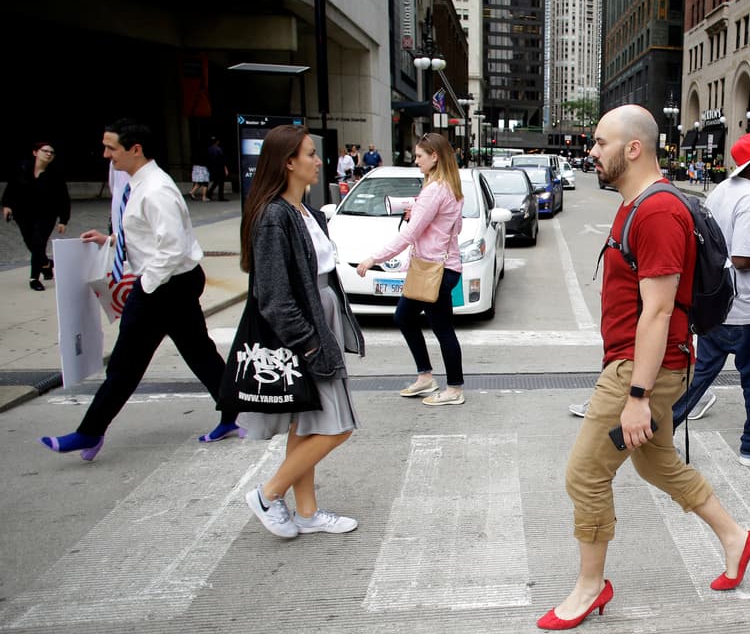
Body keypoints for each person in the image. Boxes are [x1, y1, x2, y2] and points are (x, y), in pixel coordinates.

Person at [538, 105, 750, 630]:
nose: (590, 152)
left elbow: (659, 310)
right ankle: (737, 538)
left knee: (586, 474)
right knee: (655, 463)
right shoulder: (636, 203)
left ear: (632, 148)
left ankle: (591, 587)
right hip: (643, 366)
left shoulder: (659, 212)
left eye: (599, 143)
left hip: (641, 371)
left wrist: (637, 396)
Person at [40, 119, 238, 460]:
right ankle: (233, 413)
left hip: (164, 284)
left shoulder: (156, 190)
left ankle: (89, 433)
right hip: (173, 282)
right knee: (198, 353)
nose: (106, 155)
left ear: (135, 149)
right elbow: (149, 236)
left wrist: (143, 288)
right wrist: (112, 241)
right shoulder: (141, 184)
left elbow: (172, 247)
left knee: (126, 364)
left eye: (111, 148)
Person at [238, 124, 366, 538]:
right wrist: (311, 345)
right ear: (288, 162)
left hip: (318, 321)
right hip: (305, 333)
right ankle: (267, 494)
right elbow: (273, 296)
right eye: (310, 154)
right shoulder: (275, 217)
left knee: (306, 426)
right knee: (338, 426)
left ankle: (307, 513)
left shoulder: (304, 211)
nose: (318, 161)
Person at [669, 132, 750, 466]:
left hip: (715, 307)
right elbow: (742, 258)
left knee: (698, 379)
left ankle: (658, 431)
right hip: (743, 311)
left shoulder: (721, 191)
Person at [355, 133, 467, 407]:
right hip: (438, 267)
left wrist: (374, 258)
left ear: (434, 157)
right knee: (404, 316)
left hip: (434, 270)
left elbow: (409, 235)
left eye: (419, 156)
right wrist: (419, 213)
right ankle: (426, 376)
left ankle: (454, 389)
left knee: (442, 329)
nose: (415, 161)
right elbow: (456, 228)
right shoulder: (450, 188)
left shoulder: (435, 189)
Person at [3, 141, 70, 291]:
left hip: (46, 216)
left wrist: (63, 220)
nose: (48, 154)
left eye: (51, 152)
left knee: (38, 243)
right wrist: (7, 205)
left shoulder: (55, 174)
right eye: (45, 151)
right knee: (31, 243)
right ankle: (46, 264)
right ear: (35, 152)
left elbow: (63, 198)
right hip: (23, 214)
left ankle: (34, 278)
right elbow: (11, 186)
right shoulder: (22, 168)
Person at [206, 137, 230, 201]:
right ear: (217, 142)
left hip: (213, 168)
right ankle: (220, 197)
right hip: (220, 167)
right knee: (221, 182)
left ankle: (209, 193)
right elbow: (222, 160)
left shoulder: (209, 149)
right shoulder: (219, 149)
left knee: (216, 181)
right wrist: (225, 169)